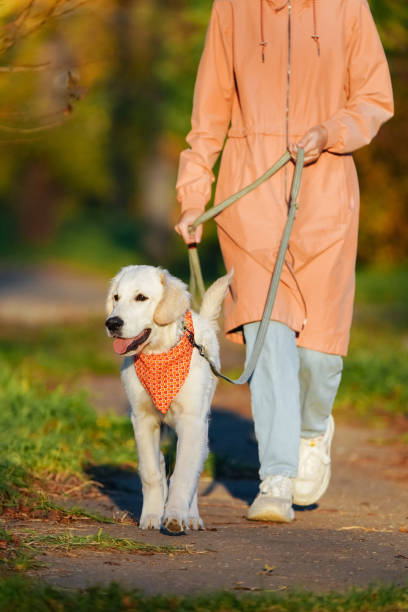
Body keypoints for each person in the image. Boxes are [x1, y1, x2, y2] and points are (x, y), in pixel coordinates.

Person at [175, 0, 393, 522]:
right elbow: (208, 114)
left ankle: (312, 432)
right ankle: (274, 476)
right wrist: (192, 195)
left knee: (319, 359)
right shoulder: (231, 9)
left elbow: (374, 98)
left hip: (326, 189)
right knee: (267, 335)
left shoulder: (348, 7)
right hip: (250, 193)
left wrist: (331, 132)